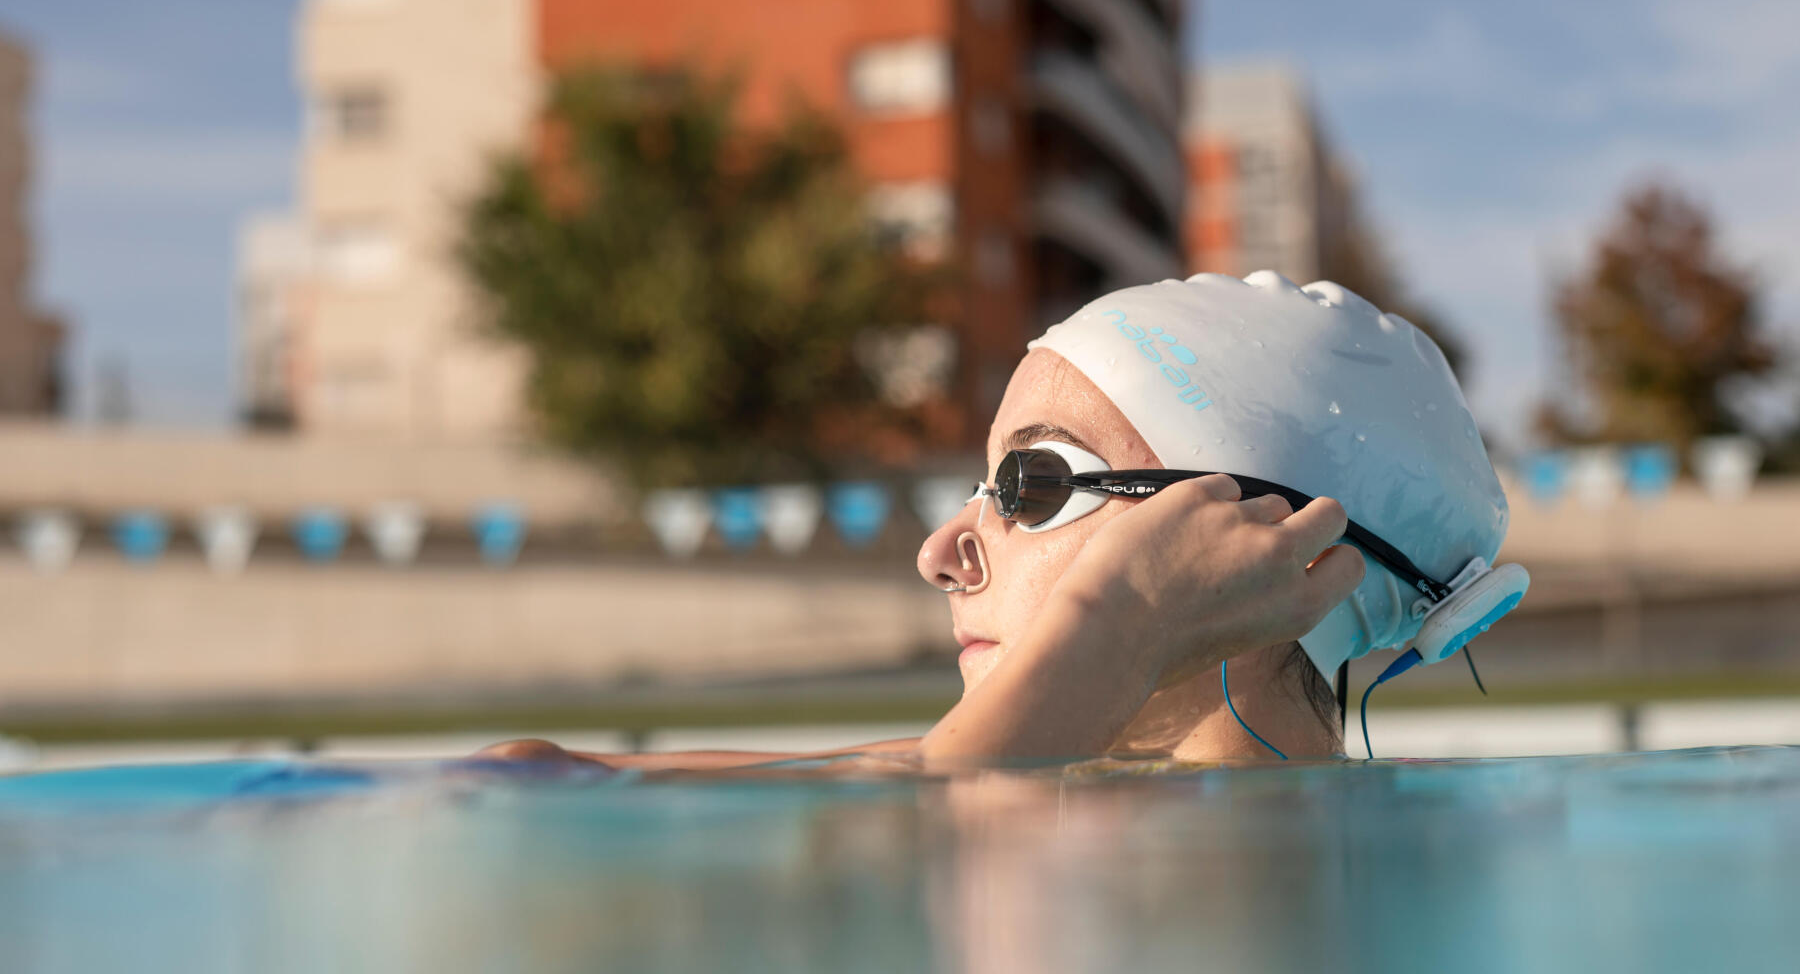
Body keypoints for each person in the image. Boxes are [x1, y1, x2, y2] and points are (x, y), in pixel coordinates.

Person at [480, 271, 1511, 769]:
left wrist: (1124, 617)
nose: (942, 553)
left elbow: (943, 829)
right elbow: (528, 778)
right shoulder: (1041, 778)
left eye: (1032, 483)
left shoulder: (1281, 891)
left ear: (1275, 555)